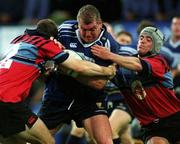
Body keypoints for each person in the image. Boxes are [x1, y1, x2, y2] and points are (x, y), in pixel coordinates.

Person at [0, 19, 116, 144]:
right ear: (52, 38)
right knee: (47, 141)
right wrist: (107, 71)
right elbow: (79, 67)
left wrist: (45, 68)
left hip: (6, 100)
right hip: (7, 102)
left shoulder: (17, 41)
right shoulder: (45, 43)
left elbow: (25, 70)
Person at [38, 4, 120, 144]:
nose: (88, 34)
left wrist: (66, 69)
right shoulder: (64, 30)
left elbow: (98, 84)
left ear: (100, 23)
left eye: (92, 29)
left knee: (106, 142)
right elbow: (48, 62)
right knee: (35, 140)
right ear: (77, 24)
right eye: (84, 29)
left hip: (89, 100)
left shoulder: (109, 45)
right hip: (58, 95)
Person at [91, 26, 180, 144]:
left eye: (148, 40)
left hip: (175, 118)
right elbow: (100, 81)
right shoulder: (122, 66)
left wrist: (109, 55)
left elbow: (138, 65)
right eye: (141, 38)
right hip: (151, 127)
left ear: (156, 45)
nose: (142, 41)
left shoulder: (158, 61)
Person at [164, 16, 180, 98]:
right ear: (171, 26)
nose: (177, 27)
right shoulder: (162, 45)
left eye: (179, 24)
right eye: (175, 24)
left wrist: (174, 72)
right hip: (163, 82)